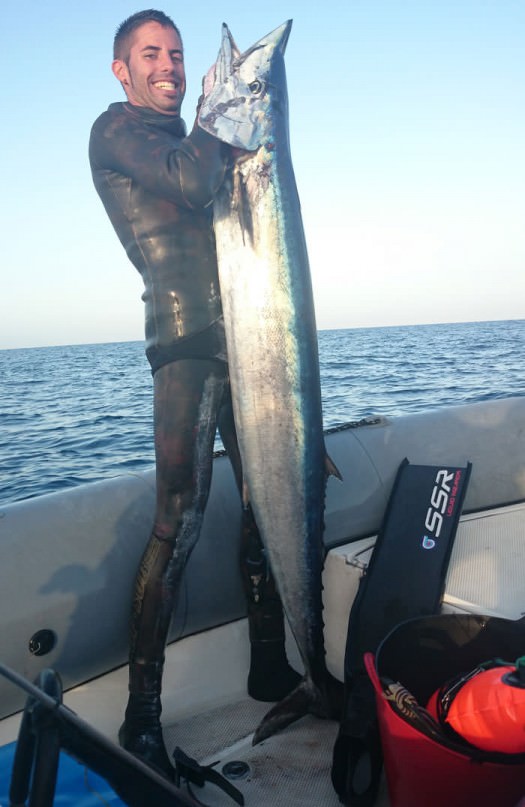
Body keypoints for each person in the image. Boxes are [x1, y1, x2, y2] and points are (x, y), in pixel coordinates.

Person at [89, 9, 300, 780]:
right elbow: (190, 179)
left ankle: (270, 665)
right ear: (122, 69)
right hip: (184, 348)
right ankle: (140, 717)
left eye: (176, 54)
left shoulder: (190, 137)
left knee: (261, 504)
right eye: (151, 54)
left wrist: (226, 121)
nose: (169, 66)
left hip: (248, 339)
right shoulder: (117, 132)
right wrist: (229, 112)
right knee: (176, 524)